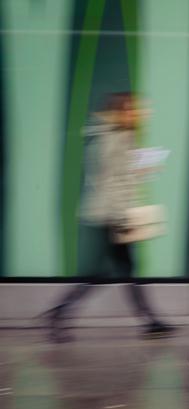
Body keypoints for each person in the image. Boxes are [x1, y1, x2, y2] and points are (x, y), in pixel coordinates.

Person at [40, 93, 175, 343]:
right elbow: (111, 182)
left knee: (121, 270)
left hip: (111, 213)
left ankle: (149, 320)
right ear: (123, 112)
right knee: (108, 272)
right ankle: (61, 312)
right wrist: (121, 215)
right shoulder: (118, 137)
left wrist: (142, 169)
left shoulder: (112, 136)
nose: (142, 113)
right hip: (112, 216)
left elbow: (118, 176)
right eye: (135, 109)